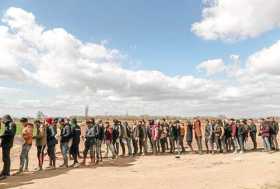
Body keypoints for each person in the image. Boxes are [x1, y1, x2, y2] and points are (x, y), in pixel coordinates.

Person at [0, 115, 16, 179]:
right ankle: (4, 171)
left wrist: (1, 136)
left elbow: (11, 134)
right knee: (5, 158)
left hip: (7, 144)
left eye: (3, 120)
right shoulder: (8, 124)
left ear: (6, 119)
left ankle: (6, 172)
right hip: (5, 143)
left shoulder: (11, 124)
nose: (2, 121)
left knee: (6, 158)